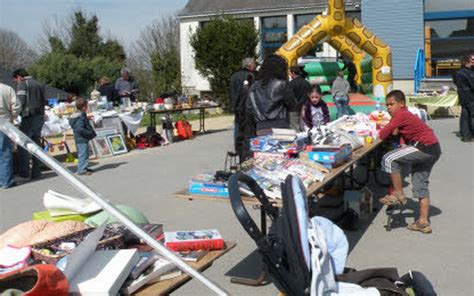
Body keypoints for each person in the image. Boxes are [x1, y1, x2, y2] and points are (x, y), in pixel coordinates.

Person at [378, 90, 441, 234]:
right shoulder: (404, 115)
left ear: (401, 104)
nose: (388, 107)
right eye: (386, 105)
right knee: (420, 184)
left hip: (424, 147)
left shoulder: (401, 114)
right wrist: (401, 140)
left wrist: (378, 137)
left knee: (389, 158)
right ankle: (423, 223)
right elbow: (403, 132)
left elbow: (384, 133)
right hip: (433, 149)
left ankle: (398, 193)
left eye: (391, 104)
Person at [246, 54, 297, 133]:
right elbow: (292, 105)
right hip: (280, 126)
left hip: (261, 127)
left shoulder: (254, 86)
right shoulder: (282, 84)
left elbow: (249, 107)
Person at [12, 68, 46, 180]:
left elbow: (20, 101)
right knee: (36, 144)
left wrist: (15, 114)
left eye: (15, 80)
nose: (16, 82)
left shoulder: (23, 83)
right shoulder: (39, 84)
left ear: (19, 77)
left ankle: (24, 173)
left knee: (23, 144)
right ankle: (37, 172)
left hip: (28, 116)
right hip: (40, 116)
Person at [0, 83, 22, 189]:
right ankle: (6, 180)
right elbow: (16, 106)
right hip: (4, 123)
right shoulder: (7, 89)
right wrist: (13, 116)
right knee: (4, 153)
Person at [230, 57, 257, 143]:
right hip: (247, 106)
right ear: (249, 65)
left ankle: (238, 146)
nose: (255, 66)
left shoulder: (234, 76)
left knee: (238, 126)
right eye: (254, 64)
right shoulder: (250, 76)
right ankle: (249, 147)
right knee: (250, 129)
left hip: (236, 106)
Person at [69, 97, 96, 175]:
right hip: (81, 138)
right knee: (83, 154)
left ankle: (84, 167)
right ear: (84, 107)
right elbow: (79, 128)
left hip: (81, 138)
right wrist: (88, 132)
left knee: (85, 153)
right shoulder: (80, 116)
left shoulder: (80, 115)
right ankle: (81, 170)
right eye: (87, 106)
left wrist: (87, 118)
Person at [453, 54, 474, 142]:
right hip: (470, 97)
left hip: (464, 97)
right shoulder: (466, 73)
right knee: (471, 116)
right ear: (467, 61)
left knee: (465, 116)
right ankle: (468, 135)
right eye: (472, 60)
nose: (473, 61)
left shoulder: (460, 72)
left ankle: (466, 135)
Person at [289, 65, 311, 131]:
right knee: (305, 128)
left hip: (294, 109)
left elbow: (289, 97)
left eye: (290, 72)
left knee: (294, 128)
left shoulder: (291, 84)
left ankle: (297, 141)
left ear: (293, 73)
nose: (289, 74)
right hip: (305, 108)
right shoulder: (306, 83)